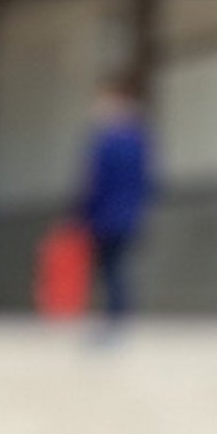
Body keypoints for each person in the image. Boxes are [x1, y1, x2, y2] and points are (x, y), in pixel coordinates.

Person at [75, 77, 153, 329]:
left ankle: (115, 317)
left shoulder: (105, 141)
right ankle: (118, 315)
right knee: (118, 266)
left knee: (111, 267)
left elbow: (94, 183)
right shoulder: (139, 139)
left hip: (106, 216)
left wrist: (82, 214)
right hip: (130, 214)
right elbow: (148, 180)